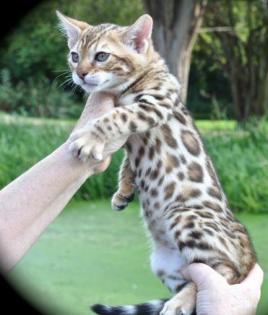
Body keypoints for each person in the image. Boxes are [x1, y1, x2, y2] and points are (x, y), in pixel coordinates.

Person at [0, 93, 263, 315]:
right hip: (187, 237)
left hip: (194, 221)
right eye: (75, 57)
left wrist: (97, 138)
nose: (82, 69)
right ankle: (190, 294)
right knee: (162, 261)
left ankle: (208, 281)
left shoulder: (155, 95)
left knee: (179, 235)